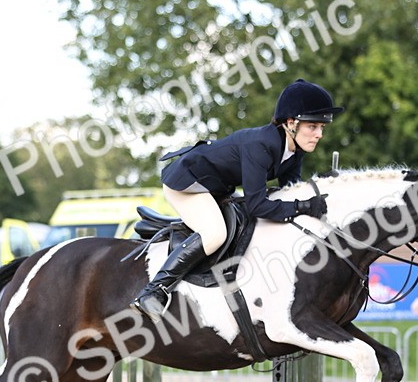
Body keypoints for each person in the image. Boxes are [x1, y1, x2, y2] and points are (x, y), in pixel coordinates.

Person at [130, 78, 343, 321]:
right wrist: (302, 206)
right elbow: (257, 205)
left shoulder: (294, 151)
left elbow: (289, 191)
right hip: (188, 183)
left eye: (322, 128)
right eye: (313, 127)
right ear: (291, 123)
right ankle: (154, 291)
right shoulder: (261, 144)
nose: (319, 135)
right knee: (215, 233)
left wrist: (322, 190)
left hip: (217, 187)